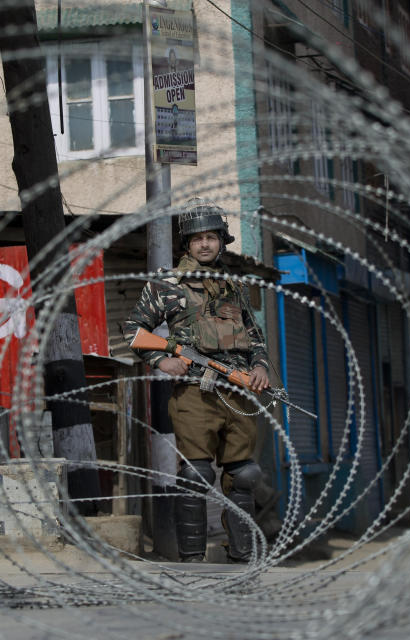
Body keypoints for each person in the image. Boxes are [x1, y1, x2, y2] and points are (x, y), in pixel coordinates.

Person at [124, 199, 271, 562]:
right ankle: (192, 560)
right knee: (196, 474)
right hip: (194, 392)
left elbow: (255, 337)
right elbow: (133, 329)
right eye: (197, 239)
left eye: (211, 237)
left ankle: (241, 558)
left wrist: (262, 367)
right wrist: (161, 360)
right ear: (186, 244)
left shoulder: (232, 286)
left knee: (245, 476)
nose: (205, 244)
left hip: (237, 391)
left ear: (222, 240)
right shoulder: (168, 284)